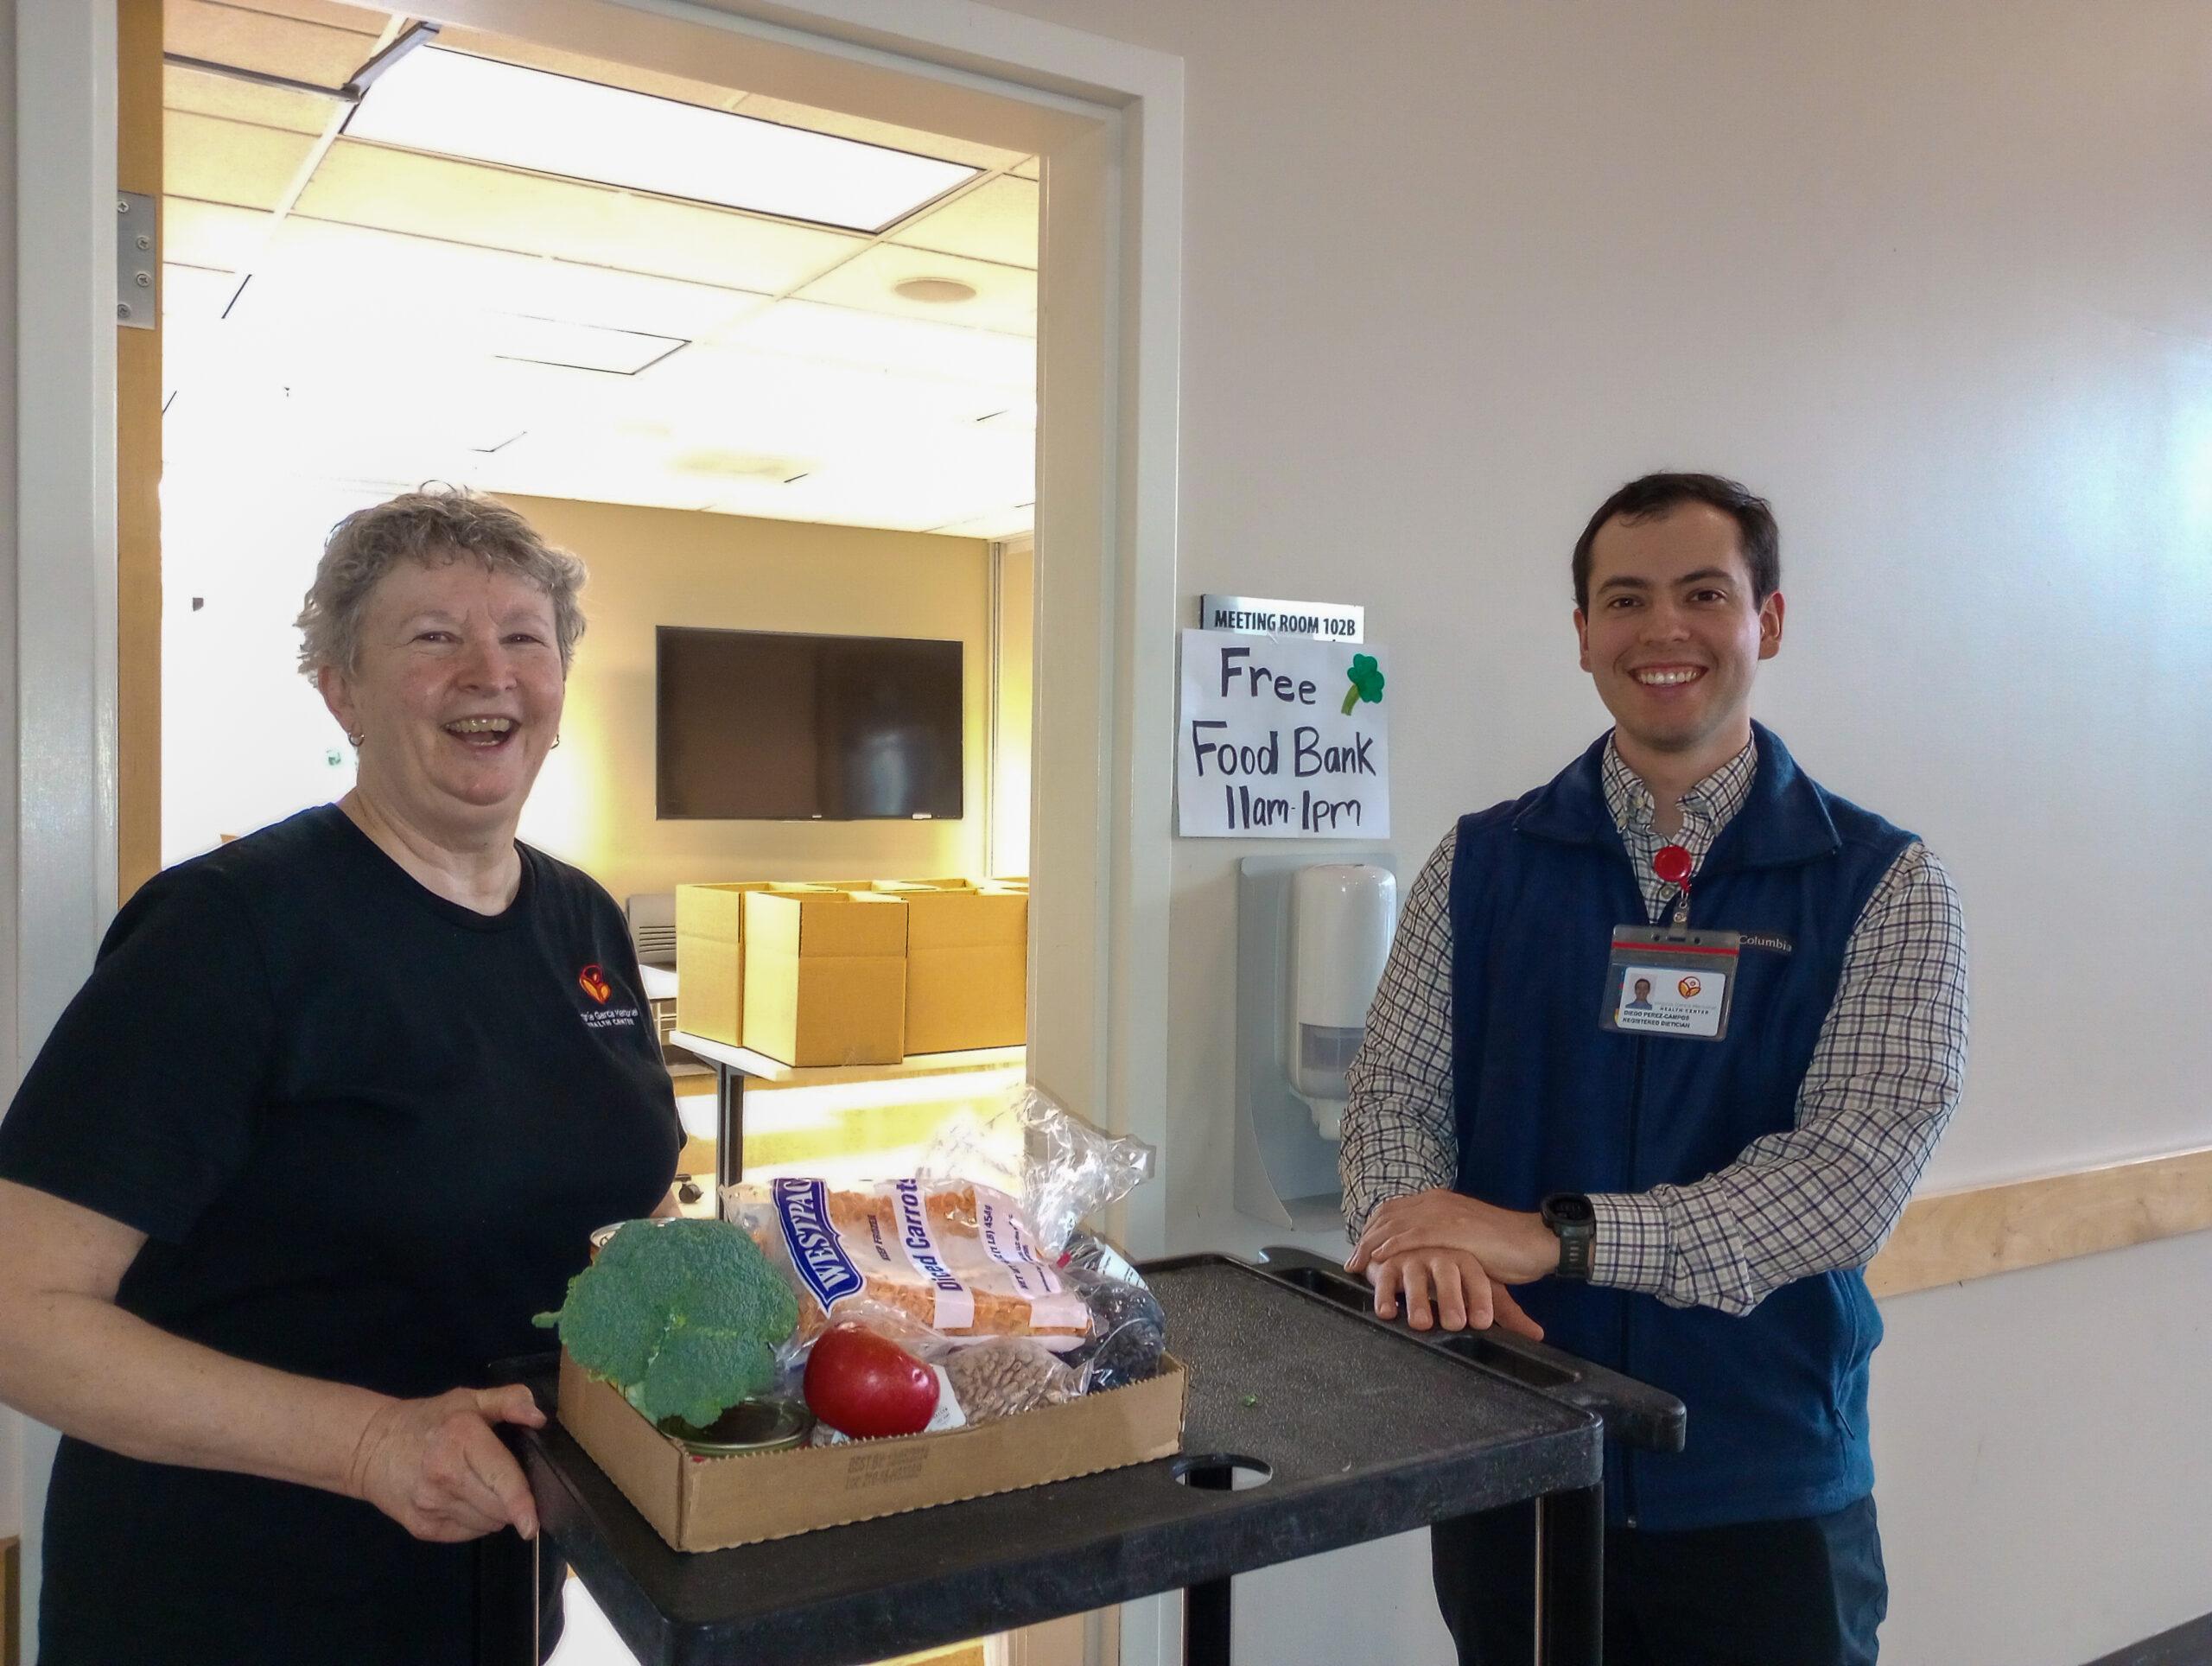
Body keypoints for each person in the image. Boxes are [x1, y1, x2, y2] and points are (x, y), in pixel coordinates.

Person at [0, 488, 682, 1663]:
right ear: (341, 689)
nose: (491, 671)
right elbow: (19, 1311)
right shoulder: (229, 932)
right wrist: (371, 1446)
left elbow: (630, 1210)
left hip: (493, 1585)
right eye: (433, 638)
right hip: (234, 1599)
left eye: (525, 636)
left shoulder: (582, 919)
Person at [1339, 473, 1968, 1666]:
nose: (1662, 630)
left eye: (1702, 594)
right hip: (1512, 1462)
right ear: (1583, 636)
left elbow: (1841, 1182)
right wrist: (1410, 1230)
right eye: (1625, 599)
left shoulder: (1884, 884)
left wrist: (1555, 1236)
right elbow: (1392, 1099)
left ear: (1766, 623)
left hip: (1760, 1488)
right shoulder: (1481, 865)